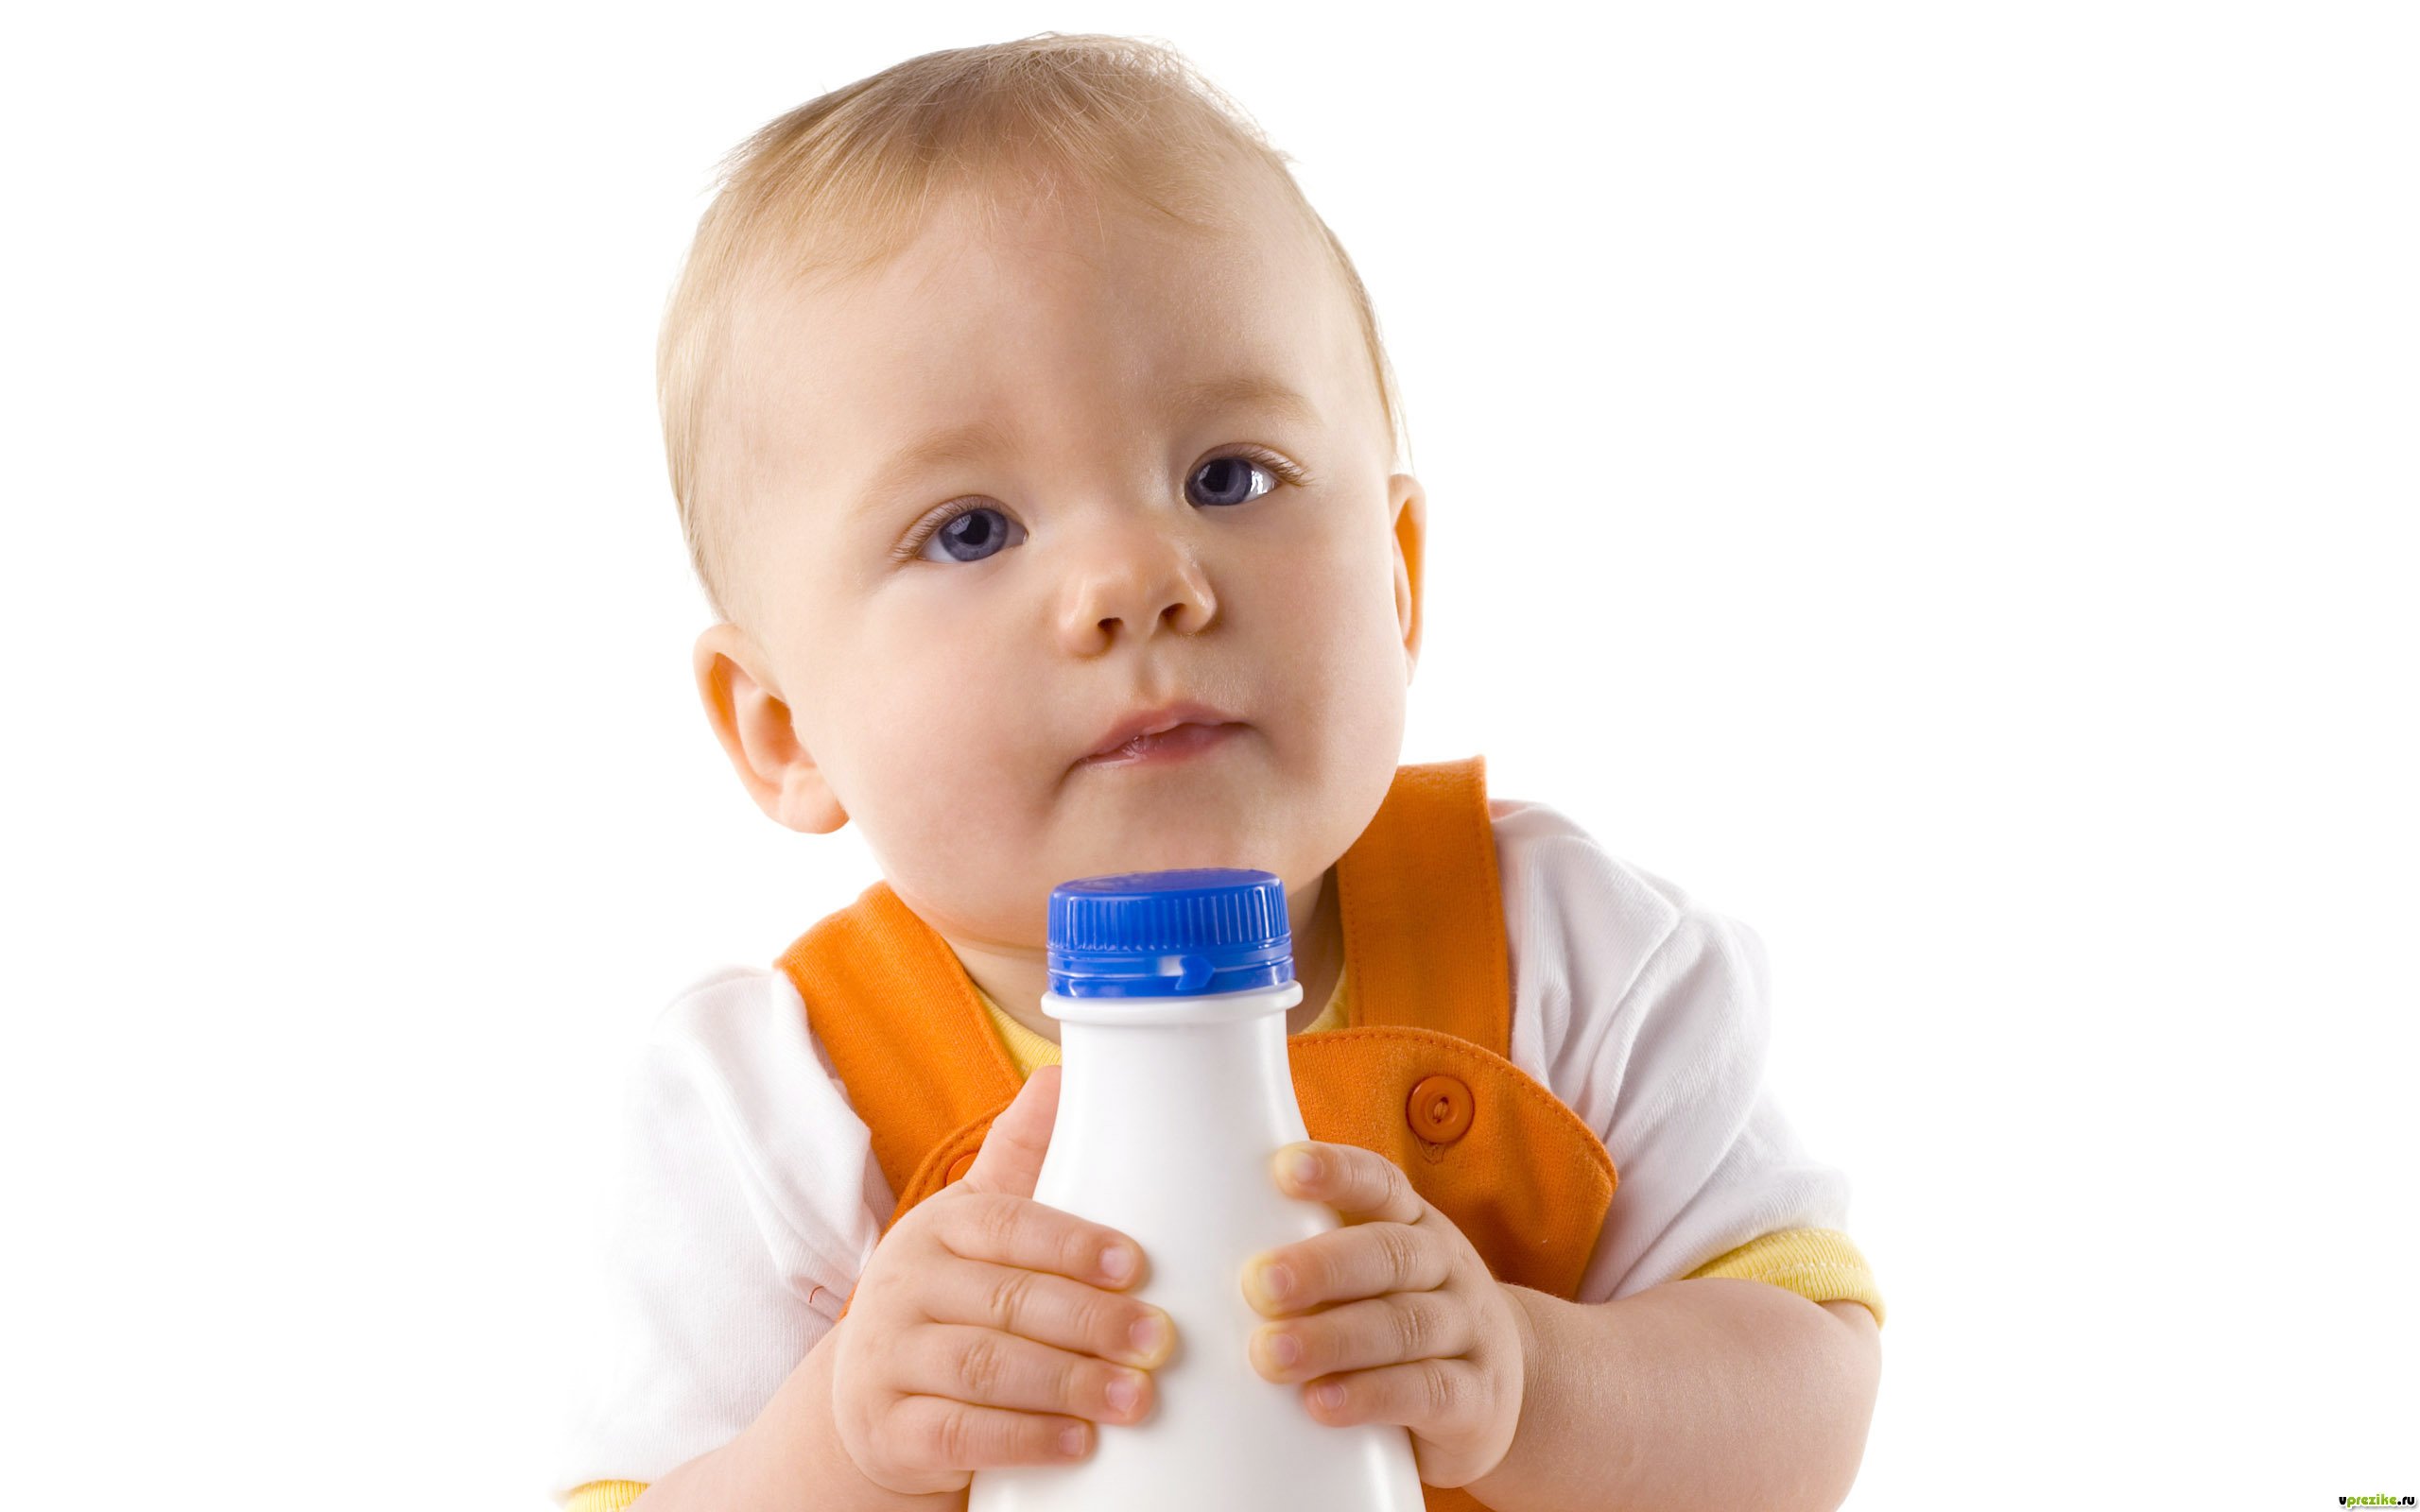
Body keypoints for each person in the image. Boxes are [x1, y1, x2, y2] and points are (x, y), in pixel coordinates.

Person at [556, 32, 1884, 1511]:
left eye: (1228, 477)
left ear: (1397, 579)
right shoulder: (777, 1110)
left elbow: (1810, 1401)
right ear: (783, 727)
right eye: (972, 530)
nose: (1138, 580)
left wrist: (1532, 1378)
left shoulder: (1568, 958)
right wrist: (837, 1447)